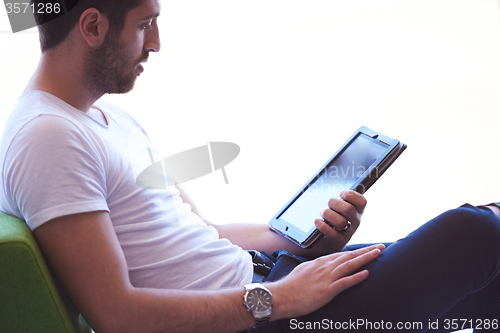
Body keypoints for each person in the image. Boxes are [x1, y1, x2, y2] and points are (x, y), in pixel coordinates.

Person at [0, 1, 499, 332]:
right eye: (145, 23)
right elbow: (116, 313)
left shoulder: (105, 118)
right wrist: (279, 300)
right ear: (92, 26)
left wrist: (300, 238)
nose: (155, 43)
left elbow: (205, 231)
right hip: (261, 318)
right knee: (474, 232)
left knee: (488, 289)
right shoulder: (48, 138)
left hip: (265, 284)